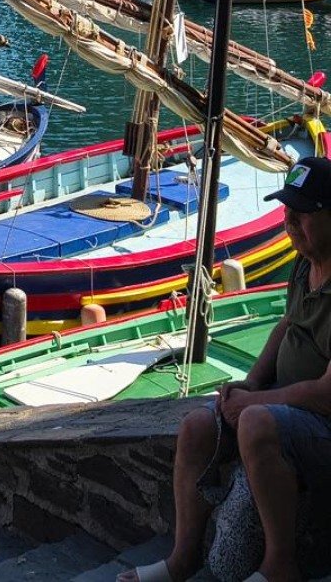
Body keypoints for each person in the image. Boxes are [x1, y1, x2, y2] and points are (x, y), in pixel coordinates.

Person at [118, 156, 331, 582]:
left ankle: (279, 566)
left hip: (322, 424)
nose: (289, 222)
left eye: (302, 214)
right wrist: (249, 383)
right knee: (197, 426)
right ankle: (183, 558)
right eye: (287, 210)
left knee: (253, 421)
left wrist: (257, 401)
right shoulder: (305, 266)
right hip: (283, 410)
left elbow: (327, 393)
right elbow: (285, 327)